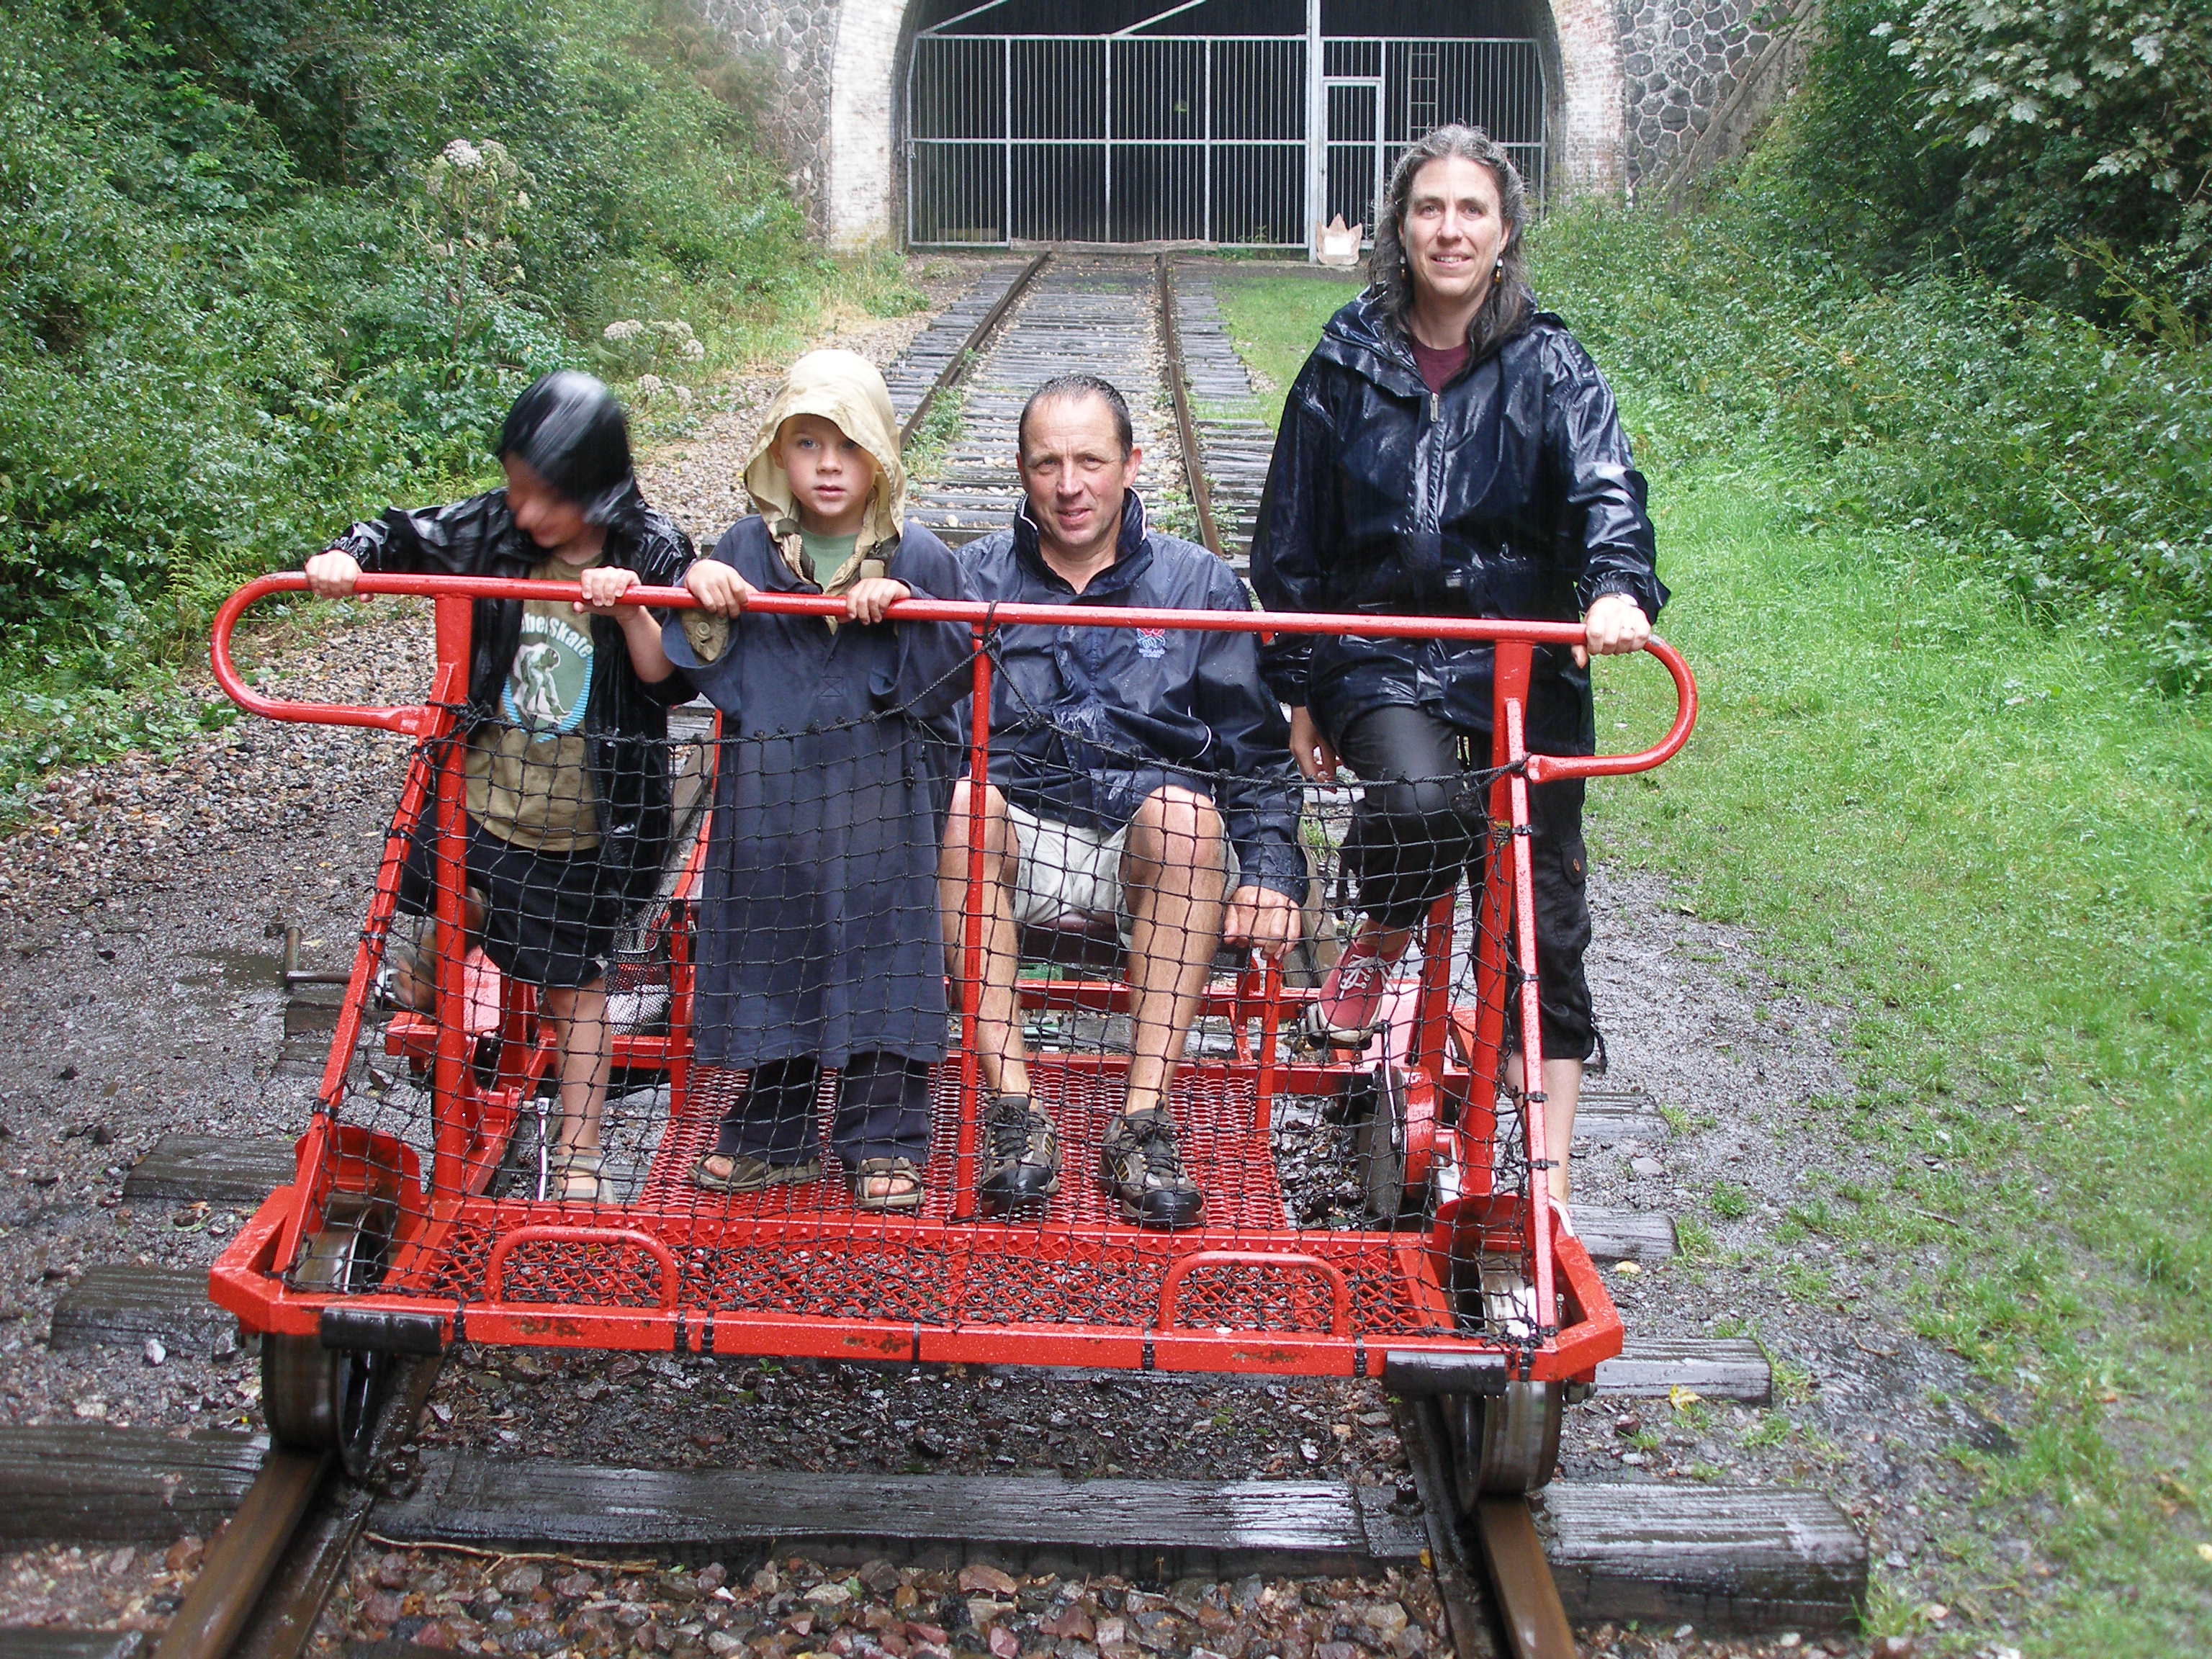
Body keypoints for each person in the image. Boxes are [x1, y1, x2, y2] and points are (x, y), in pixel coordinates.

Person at [1249, 125, 1668, 1220]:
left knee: (1543, 922)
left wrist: (1617, 587)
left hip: (1521, 658)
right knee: (1429, 805)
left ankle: (1549, 1187)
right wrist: (1297, 681)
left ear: (1505, 231)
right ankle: (1382, 939)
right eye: (1429, 208)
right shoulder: (1346, 358)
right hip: (1380, 649)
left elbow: (1606, 495)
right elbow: (1290, 535)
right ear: (1399, 227)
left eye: (1471, 210)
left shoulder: (1553, 364)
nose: (1449, 229)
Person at [304, 371, 696, 1205]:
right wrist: (352, 554)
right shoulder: (495, 525)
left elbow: (673, 683)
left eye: (542, 496)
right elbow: (405, 531)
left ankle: (582, 1149)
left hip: (580, 824)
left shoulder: (650, 547)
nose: (521, 513)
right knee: (448, 894)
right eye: (515, 489)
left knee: (575, 986)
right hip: (478, 798)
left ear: (595, 491)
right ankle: (434, 972)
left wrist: (631, 609)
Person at [945, 373, 1304, 1230]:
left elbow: (1256, 750)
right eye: (1048, 464)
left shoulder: (1201, 586)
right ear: (1022, 474)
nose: (1070, 486)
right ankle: (1015, 1114)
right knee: (963, 801)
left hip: (1143, 851)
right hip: (1017, 834)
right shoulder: (970, 579)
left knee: (1186, 813)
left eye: (1091, 461)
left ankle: (1142, 1119)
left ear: (1131, 465)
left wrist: (1271, 870)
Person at [671, 350, 972, 1212]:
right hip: (776, 790)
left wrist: (906, 609)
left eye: (848, 444)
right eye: (807, 444)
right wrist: (702, 589)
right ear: (779, 454)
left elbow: (950, 677)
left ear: (879, 451)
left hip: (884, 792)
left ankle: (885, 1138)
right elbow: (698, 660)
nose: (829, 465)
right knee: (777, 941)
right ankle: (776, 1131)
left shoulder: (919, 554)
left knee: (885, 951)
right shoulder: (744, 548)